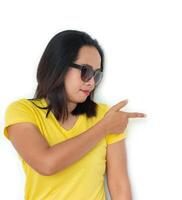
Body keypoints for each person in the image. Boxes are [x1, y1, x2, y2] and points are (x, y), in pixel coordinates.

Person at [3, 30, 146, 200]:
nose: (91, 82)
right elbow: (46, 164)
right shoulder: (22, 111)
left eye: (97, 74)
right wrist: (103, 128)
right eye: (85, 71)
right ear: (59, 66)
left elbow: (119, 185)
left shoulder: (105, 115)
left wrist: (106, 124)